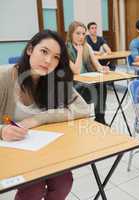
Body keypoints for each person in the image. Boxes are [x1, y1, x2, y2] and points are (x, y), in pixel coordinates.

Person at [0, 30, 90, 200]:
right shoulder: (4, 79)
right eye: (44, 51)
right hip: (12, 150)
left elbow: (83, 109)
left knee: (64, 182)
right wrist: (2, 130)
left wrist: (37, 119)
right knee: (33, 189)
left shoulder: (54, 79)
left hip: (44, 147)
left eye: (56, 57)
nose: (49, 61)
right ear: (29, 50)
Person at [66, 21, 110, 124]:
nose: (81, 36)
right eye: (78, 33)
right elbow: (76, 71)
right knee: (95, 87)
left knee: (101, 84)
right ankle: (90, 119)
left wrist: (103, 69)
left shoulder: (87, 46)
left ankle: (100, 119)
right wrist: (80, 52)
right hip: (73, 88)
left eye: (83, 34)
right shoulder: (65, 49)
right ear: (71, 34)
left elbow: (97, 65)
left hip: (87, 83)